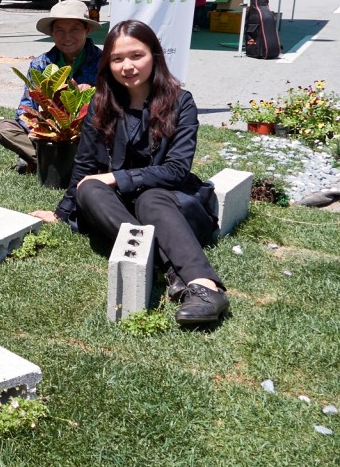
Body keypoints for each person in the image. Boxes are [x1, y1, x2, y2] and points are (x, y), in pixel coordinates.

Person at [31, 20, 229, 326]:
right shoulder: (102, 103)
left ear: (155, 56)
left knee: (149, 199)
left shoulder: (180, 102)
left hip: (169, 201)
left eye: (136, 56)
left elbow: (176, 170)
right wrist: (62, 212)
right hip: (118, 206)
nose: (127, 66)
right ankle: (169, 264)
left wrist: (117, 178)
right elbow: (84, 163)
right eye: (117, 59)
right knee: (88, 187)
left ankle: (206, 286)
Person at [0, 0, 102, 174]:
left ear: (87, 30)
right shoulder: (40, 64)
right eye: (60, 30)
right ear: (51, 33)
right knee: (4, 128)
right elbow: (25, 108)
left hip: (86, 135)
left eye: (74, 29)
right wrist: (43, 130)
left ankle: (46, 161)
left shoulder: (103, 62)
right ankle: (58, 161)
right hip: (48, 137)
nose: (67, 37)